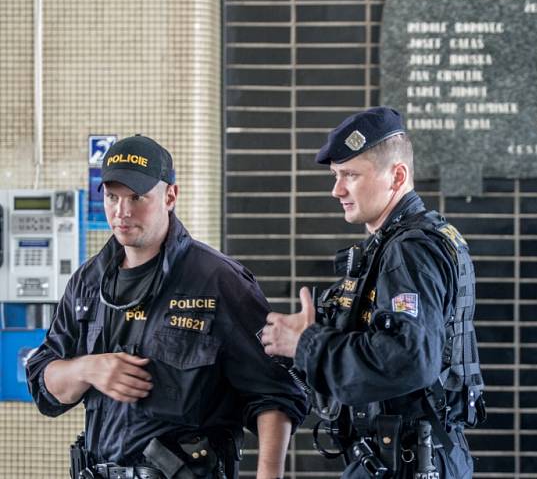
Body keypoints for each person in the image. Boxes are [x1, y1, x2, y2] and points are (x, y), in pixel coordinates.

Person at [26, 135, 308, 479]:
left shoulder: (217, 279)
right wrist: (86, 369)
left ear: (170, 196)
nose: (122, 211)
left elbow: (277, 393)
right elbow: (44, 384)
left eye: (137, 197)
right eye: (113, 197)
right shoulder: (87, 283)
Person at [260, 107, 485, 478]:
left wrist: (309, 343)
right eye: (336, 175)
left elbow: (409, 358)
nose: (337, 190)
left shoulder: (409, 250)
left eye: (350, 174)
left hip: (410, 459)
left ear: (397, 176)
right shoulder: (403, 243)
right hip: (401, 457)